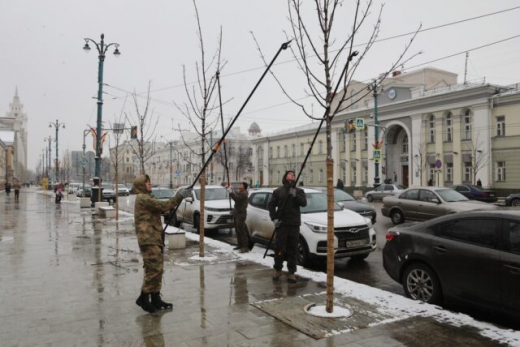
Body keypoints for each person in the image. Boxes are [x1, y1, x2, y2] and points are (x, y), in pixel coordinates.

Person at [133, 174, 192, 313]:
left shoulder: (146, 197)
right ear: (142, 185)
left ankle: (155, 298)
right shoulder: (143, 198)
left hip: (154, 237)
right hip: (148, 239)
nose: (150, 184)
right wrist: (179, 196)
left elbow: (159, 207)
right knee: (153, 270)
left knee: (157, 268)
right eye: (147, 182)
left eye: (150, 182)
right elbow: (163, 206)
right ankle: (143, 297)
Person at [268, 171, 307, 283]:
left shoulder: (299, 191)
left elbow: (303, 203)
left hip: (294, 224)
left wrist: (295, 195)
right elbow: (271, 205)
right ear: (285, 176)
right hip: (282, 223)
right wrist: (274, 218)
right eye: (290, 174)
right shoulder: (278, 191)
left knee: (293, 248)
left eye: (293, 175)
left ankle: (291, 272)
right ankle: (278, 269)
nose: (292, 176)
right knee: (279, 248)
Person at [228, 182, 249, 253]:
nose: (239, 185)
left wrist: (231, 192)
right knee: (237, 230)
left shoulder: (244, 193)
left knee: (241, 230)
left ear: (244, 187)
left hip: (241, 214)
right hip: (237, 213)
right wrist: (230, 188)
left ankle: (244, 247)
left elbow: (236, 198)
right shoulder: (241, 192)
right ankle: (240, 245)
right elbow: (235, 194)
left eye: (241, 185)